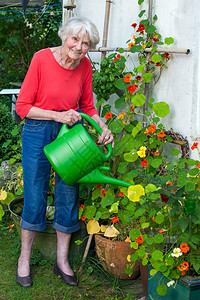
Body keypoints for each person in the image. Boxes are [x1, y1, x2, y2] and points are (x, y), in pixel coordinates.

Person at [15, 16, 114, 288]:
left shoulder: (84, 66)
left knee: (68, 192)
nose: (79, 47)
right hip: (38, 131)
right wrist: (57, 116)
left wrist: (103, 126)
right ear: (64, 37)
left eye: (86, 43)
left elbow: (88, 106)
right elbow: (22, 107)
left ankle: (62, 261)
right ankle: (24, 259)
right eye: (75, 39)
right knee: (35, 193)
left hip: (70, 134)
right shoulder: (41, 59)